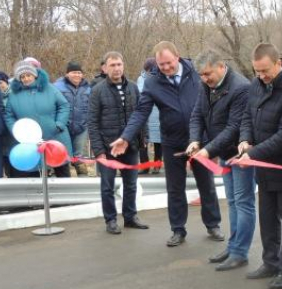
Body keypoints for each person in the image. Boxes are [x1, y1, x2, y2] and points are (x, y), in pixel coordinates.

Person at [111, 41, 223, 246]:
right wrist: (126, 136)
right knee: (175, 188)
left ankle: (213, 224)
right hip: (172, 141)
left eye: (169, 63)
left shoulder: (196, 73)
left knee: (206, 185)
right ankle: (178, 230)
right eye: (161, 64)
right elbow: (141, 112)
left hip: (199, 141)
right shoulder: (153, 82)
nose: (166, 68)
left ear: (177, 57)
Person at [233, 43, 282, 289]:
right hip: (262, 167)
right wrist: (245, 141)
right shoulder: (257, 85)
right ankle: (270, 261)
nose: (262, 76)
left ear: (278, 63)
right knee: (267, 218)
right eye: (257, 71)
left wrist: (252, 154)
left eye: (265, 71)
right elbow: (247, 116)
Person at [186, 50, 255, 271]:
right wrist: (195, 140)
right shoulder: (205, 85)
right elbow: (197, 113)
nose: (205, 79)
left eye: (208, 74)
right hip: (223, 153)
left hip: (239, 154)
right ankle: (233, 246)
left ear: (221, 67)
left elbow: (234, 127)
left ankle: (240, 252)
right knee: (233, 202)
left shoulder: (241, 88)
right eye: (201, 75)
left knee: (243, 203)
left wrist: (207, 151)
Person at [87, 51, 149, 234]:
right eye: (112, 65)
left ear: (123, 66)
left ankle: (130, 217)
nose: (116, 68)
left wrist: (142, 138)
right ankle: (111, 220)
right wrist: (98, 150)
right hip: (108, 149)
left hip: (131, 146)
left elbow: (141, 115)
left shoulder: (132, 87)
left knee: (131, 184)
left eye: (119, 64)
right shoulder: (97, 90)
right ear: (105, 68)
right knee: (107, 186)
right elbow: (92, 122)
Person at [4, 60, 73, 177]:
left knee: (61, 170)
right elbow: (8, 115)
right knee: (35, 170)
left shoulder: (50, 89)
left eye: (28, 75)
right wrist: (17, 131)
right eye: (22, 77)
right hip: (30, 140)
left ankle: (65, 195)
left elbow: (64, 105)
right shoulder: (14, 95)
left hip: (55, 136)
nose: (26, 79)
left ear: (34, 75)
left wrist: (59, 124)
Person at [54, 61, 92, 176]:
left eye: (79, 73)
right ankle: (62, 179)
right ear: (67, 74)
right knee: (63, 155)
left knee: (78, 156)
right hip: (63, 128)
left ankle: (82, 179)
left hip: (82, 127)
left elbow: (92, 106)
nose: (77, 75)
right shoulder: (57, 87)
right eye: (74, 72)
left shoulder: (88, 88)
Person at [137, 58, 162, 173]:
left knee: (158, 142)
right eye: (149, 70)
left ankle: (157, 165)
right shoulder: (140, 79)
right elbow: (139, 94)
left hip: (158, 115)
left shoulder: (161, 78)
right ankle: (145, 165)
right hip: (144, 114)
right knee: (143, 141)